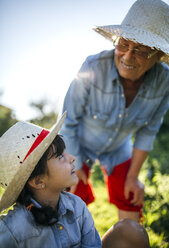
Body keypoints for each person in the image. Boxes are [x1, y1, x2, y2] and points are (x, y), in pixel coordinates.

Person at [60, 0, 169, 222]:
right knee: (70, 203)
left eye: (141, 50)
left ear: (158, 55)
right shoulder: (93, 66)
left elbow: (148, 131)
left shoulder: (164, 81)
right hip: (78, 145)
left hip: (120, 148)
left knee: (131, 200)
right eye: (123, 44)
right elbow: (68, 122)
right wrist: (76, 164)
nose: (127, 57)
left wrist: (133, 176)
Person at [0, 113, 102, 247]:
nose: (72, 158)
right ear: (38, 181)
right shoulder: (12, 229)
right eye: (60, 156)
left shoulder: (78, 207)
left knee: (127, 229)